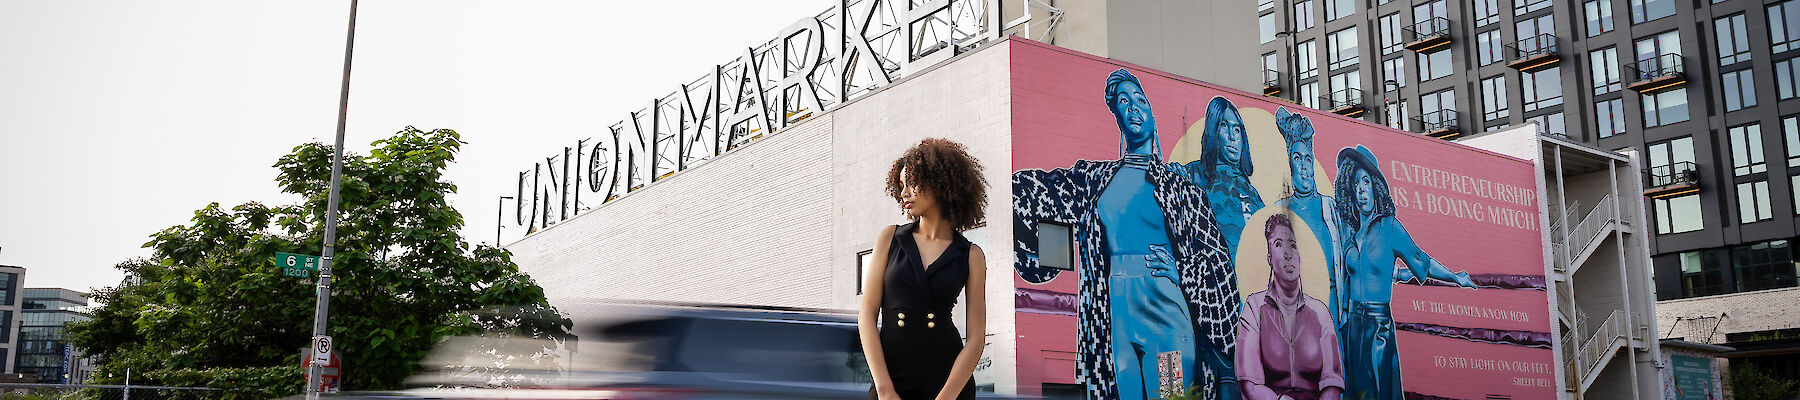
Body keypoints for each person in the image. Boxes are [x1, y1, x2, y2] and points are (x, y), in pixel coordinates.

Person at [1011, 69, 1238, 400]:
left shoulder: (1180, 186)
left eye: (1139, 99)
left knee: (1172, 396)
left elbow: (1220, 261)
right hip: (1116, 318)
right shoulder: (1094, 179)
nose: (1133, 107)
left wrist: (1182, 270)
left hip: (1166, 316)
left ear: (1151, 112)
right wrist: (1049, 251)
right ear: (1115, 115)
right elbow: (1027, 189)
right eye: (1123, 102)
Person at [1330, 146, 1478, 400]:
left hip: (1378, 327)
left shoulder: (1389, 227)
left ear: (1375, 186)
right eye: (1355, 183)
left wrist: (1456, 277)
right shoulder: (1349, 232)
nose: (1361, 189)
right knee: (1354, 392)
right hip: (1352, 326)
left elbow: (1422, 260)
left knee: (1378, 392)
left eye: (1366, 181)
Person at [861, 138, 990, 400]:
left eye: (912, 183)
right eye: (901, 186)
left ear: (940, 183)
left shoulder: (971, 255)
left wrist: (948, 396)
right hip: (891, 379)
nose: (904, 193)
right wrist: (884, 389)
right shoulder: (889, 238)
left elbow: (976, 338)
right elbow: (867, 314)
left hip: (947, 382)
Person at [1236, 214, 1343, 400]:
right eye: (1278, 245)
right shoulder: (1254, 308)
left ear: (1300, 257)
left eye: (1292, 245)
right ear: (1269, 259)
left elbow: (1332, 382)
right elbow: (1250, 385)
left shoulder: (1320, 312)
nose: (1288, 253)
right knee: (1170, 381)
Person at [1269, 108, 1344, 327]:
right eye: (1297, 158)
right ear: (1290, 164)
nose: (1303, 166)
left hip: (1331, 309)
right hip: (1295, 312)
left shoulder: (1331, 208)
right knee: (1170, 362)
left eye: (1308, 159)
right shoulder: (1279, 210)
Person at [1180, 97, 1264, 257]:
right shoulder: (1193, 174)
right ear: (1213, 132)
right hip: (1206, 276)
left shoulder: (1251, 194)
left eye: (1237, 129)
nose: (1233, 137)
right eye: (1225, 126)